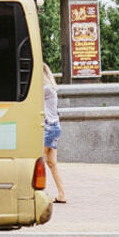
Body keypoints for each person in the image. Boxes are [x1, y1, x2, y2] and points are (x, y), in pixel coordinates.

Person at [43, 62, 68, 204]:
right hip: (55, 127)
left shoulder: (45, 89)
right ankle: (61, 194)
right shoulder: (51, 88)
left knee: (36, 160)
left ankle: (37, 192)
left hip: (48, 128)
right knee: (52, 163)